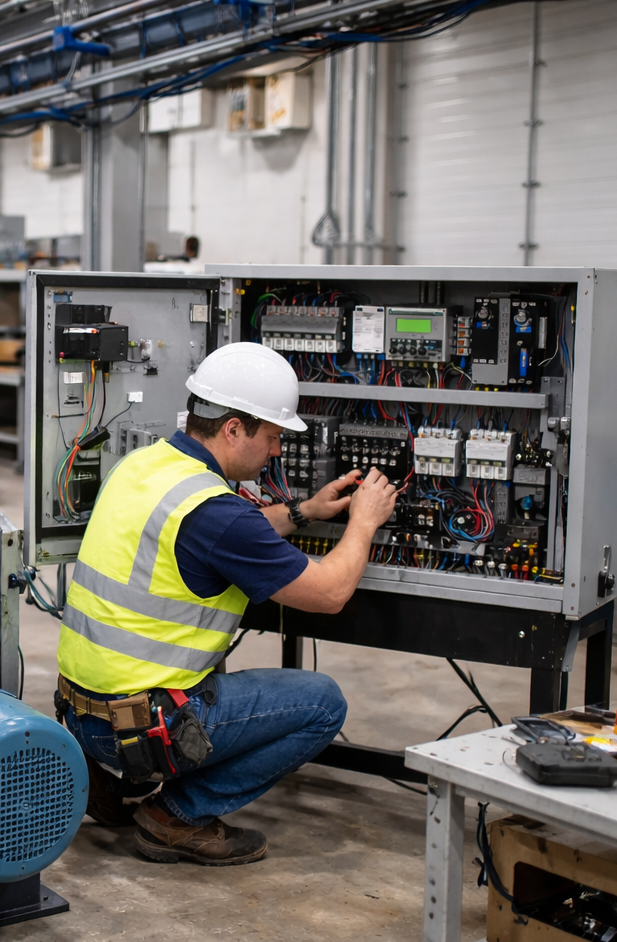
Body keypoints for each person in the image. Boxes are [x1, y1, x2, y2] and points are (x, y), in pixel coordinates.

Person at [55, 342, 399, 867]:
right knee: (322, 702)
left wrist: (303, 511)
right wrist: (364, 522)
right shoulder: (217, 512)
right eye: (274, 436)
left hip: (79, 715)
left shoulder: (143, 465)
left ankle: (103, 776)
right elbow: (329, 593)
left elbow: (221, 534)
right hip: (143, 728)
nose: (278, 450)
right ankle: (176, 816)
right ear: (233, 428)